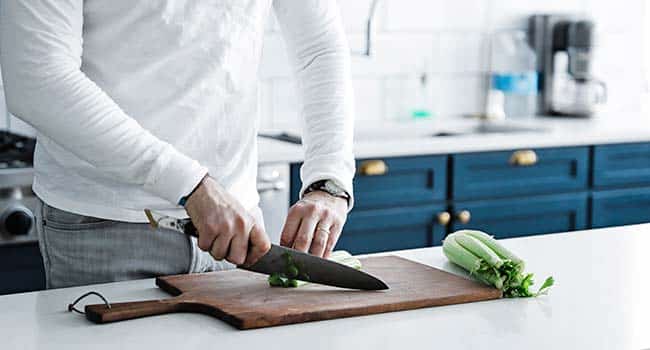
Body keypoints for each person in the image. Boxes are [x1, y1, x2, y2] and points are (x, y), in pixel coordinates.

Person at [0, 0, 354, 289]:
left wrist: (329, 179)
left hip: (239, 231)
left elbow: (318, 48)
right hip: (106, 226)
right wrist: (190, 185)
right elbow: (37, 77)